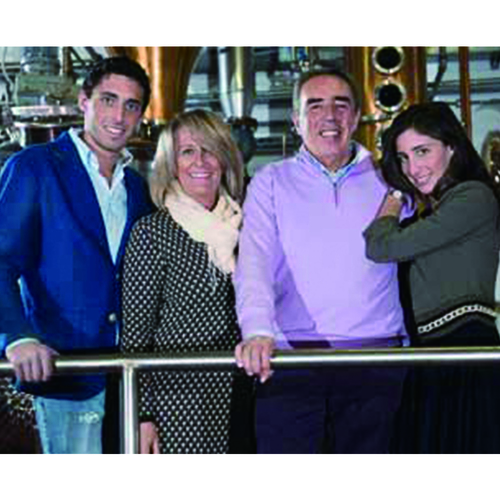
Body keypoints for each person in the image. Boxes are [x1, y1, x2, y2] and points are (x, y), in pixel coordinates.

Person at [234, 69, 408, 454]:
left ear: (357, 116)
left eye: (340, 105)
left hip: (375, 358)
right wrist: (256, 330)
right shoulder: (270, 181)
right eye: (315, 106)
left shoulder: (392, 180)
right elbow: (254, 262)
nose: (329, 116)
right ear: (296, 121)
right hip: (290, 358)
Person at [0, 56, 155, 454]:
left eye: (131, 105)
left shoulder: (136, 187)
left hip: (126, 378)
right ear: (84, 101)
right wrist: (17, 336)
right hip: (64, 373)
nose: (118, 116)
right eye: (108, 100)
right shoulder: (35, 168)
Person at [364, 102, 500, 453]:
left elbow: (381, 247)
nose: (413, 168)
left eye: (422, 151)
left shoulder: (473, 197)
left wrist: (394, 195)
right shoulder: (438, 208)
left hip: (465, 355)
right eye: (403, 158)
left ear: (452, 147)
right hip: (435, 354)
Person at [121, 109, 245, 454]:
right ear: (171, 164)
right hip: (178, 396)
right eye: (187, 151)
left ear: (224, 157)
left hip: (240, 388)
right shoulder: (152, 233)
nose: (200, 161)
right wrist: (143, 415)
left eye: (209, 149)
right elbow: (136, 335)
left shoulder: (246, 225)